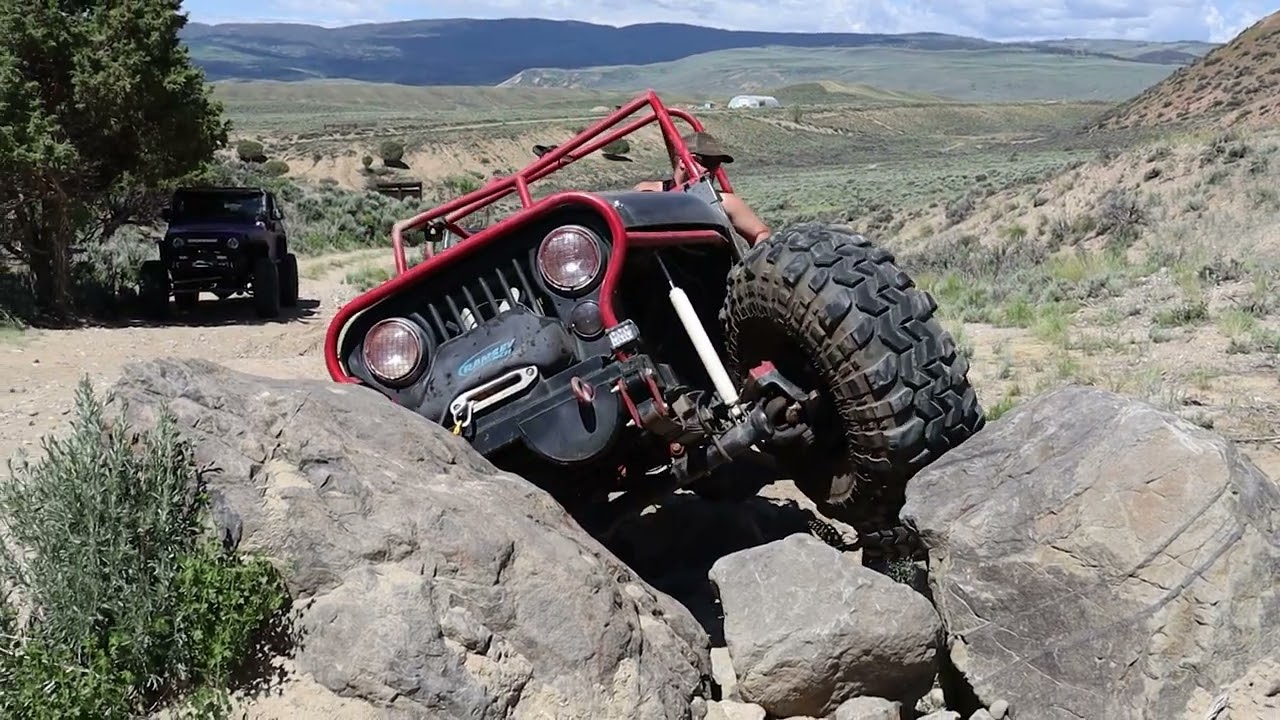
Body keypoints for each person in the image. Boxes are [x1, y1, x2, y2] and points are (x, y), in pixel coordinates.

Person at [634, 131, 771, 246]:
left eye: (715, 163)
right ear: (683, 161)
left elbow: (762, 234)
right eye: (705, 162)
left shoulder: (724, 202)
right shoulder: (649, 193)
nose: (710, 170)